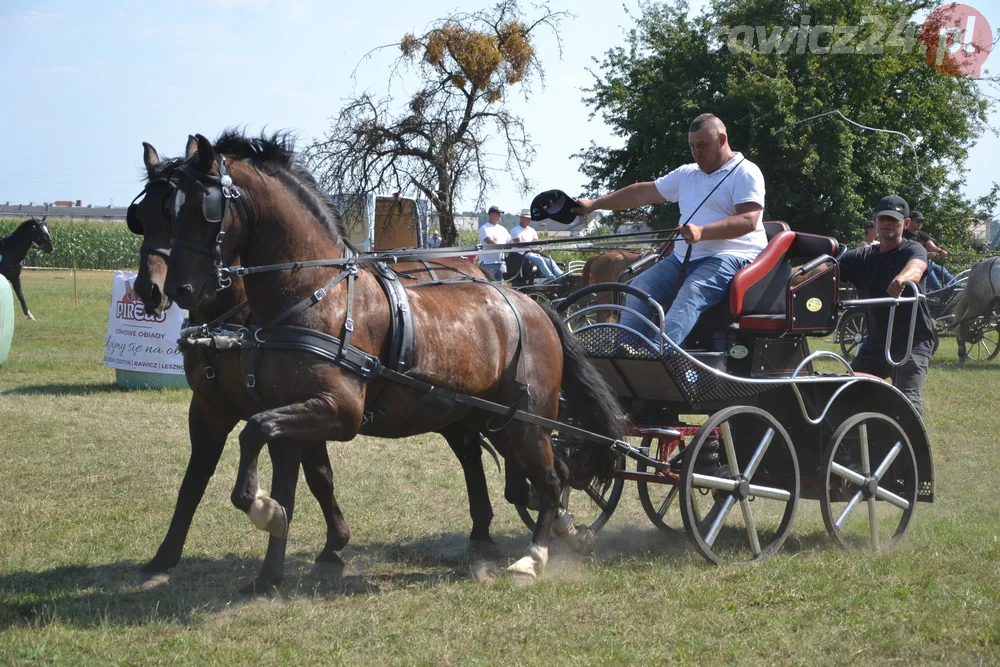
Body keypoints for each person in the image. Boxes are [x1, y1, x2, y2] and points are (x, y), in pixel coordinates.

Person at [573, 113, 767, 348]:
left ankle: (657, 354)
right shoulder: (687, 174)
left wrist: (701, 232)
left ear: (722, 139)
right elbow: (639, 193)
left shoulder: (745, 172)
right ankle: (622, 354)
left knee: (692, 291)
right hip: (683, 258)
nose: (697, 153)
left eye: (703, 146)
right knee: (638, 287)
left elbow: (748, 220)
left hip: (733, 258)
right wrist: (594, 204)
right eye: (692, 146)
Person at [837, 196, 936, 419]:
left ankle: (913, 453)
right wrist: (794, 275)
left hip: (912, 341)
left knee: (907, 404)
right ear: (875, 221)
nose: (888, 224)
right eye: (883, 219)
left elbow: (917, 267)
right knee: (848, 393)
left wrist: (902, 280)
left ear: (906, 223)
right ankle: (851, 448)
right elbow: (828, 269)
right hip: (876, 341)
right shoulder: (861, 256)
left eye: (894, 220)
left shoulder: (913, 250)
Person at [903, 211, 955, 290]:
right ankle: (939, 291)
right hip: (914, 264)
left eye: (922, 221)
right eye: (917, 221)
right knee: (928, 269)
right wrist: (927, 255)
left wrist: (940, 251)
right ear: (910, 221)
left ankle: (957, 287)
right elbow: (909, 254)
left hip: (927, 262)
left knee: (941, 270)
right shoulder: (904, 235)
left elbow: (932, 246)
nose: (920, 223)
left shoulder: (922, 234)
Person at [510, 208, 564, 281]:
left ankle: (561, 275)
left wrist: (541, 246)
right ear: (521, 218)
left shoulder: (532, 230)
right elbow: (520, 245)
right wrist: (533, 246)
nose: (529, 220)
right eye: (527, 218)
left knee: (549, 261)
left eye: (530, 219)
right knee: (539, 260)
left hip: (533, 252)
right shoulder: (515, 230)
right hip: (522, 254)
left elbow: (536, 242)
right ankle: (552, 278)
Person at [478, 205, 511, 281]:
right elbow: (489, 241)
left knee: (500, 285)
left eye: (500, 214)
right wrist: (502, 247)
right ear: (491, 214)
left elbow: (510, 241)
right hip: (488, 263)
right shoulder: (485, 228)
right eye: (498, 213)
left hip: (500, 262)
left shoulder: (502, 229)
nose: (500, 216)